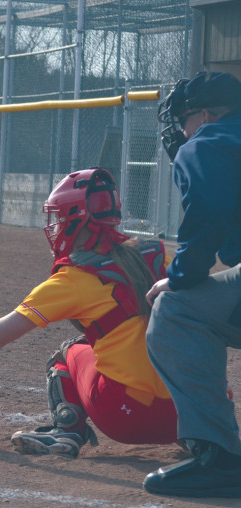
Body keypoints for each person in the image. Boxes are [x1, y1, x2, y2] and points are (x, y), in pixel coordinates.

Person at [0, 167, 179, 459]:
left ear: (77, 221)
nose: (56, 226)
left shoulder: (74, 276)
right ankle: (200, 441)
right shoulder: (159, 254)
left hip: (128, 418)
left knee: (67, 354)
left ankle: (67, 431)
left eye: (60, 218)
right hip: (196, 411)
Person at [143, 71, 241, 497]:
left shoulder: (209, 142)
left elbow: (208, 215)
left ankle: (219, 459)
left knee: (177, 310)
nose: (183, 132)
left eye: (185, 120)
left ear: (205, 114)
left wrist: (179, 278)